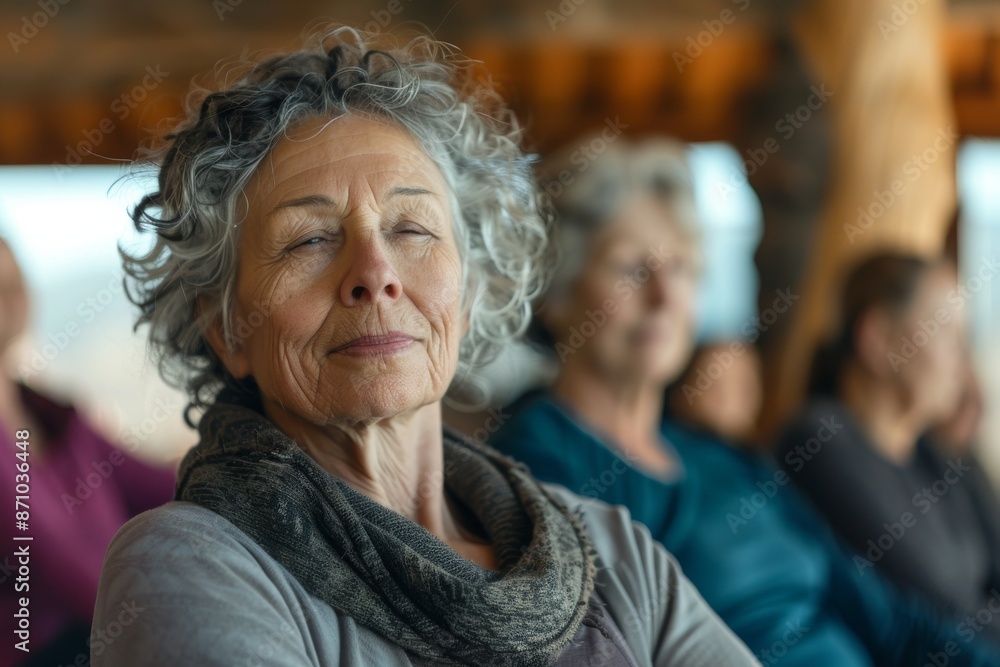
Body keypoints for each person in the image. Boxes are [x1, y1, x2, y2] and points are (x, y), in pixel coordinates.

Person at [91, 27, 761, 666]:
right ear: (228, 329)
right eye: (310, 239)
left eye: (411, 228)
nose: (375, 273)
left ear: (467, 297)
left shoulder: (611, 554)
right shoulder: (190, 561)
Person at [490, 135, 1000, 666]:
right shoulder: (540, 462)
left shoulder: (722, 458)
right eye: (632, 269)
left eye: (681, 268)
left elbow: (884, 618)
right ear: (557, 292)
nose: (665, 297)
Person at [779, 254, 1000, 621]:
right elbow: (940, 607)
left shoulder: (931, 453)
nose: (962, 362)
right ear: (878, 340)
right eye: (947, 335)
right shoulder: (819, 442)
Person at [0, 238, 175, 667]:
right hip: (41, 650)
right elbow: (51, 561)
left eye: (16, 282)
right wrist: (164, 609)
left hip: (108, 624)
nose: (13, 298)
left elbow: (162, 485)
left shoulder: (55, 414)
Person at [664, 341, 763, 446]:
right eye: (714, 386)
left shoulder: (755, 458)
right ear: (678, 393)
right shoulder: (666, 445)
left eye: (745, 387)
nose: (729, 398)